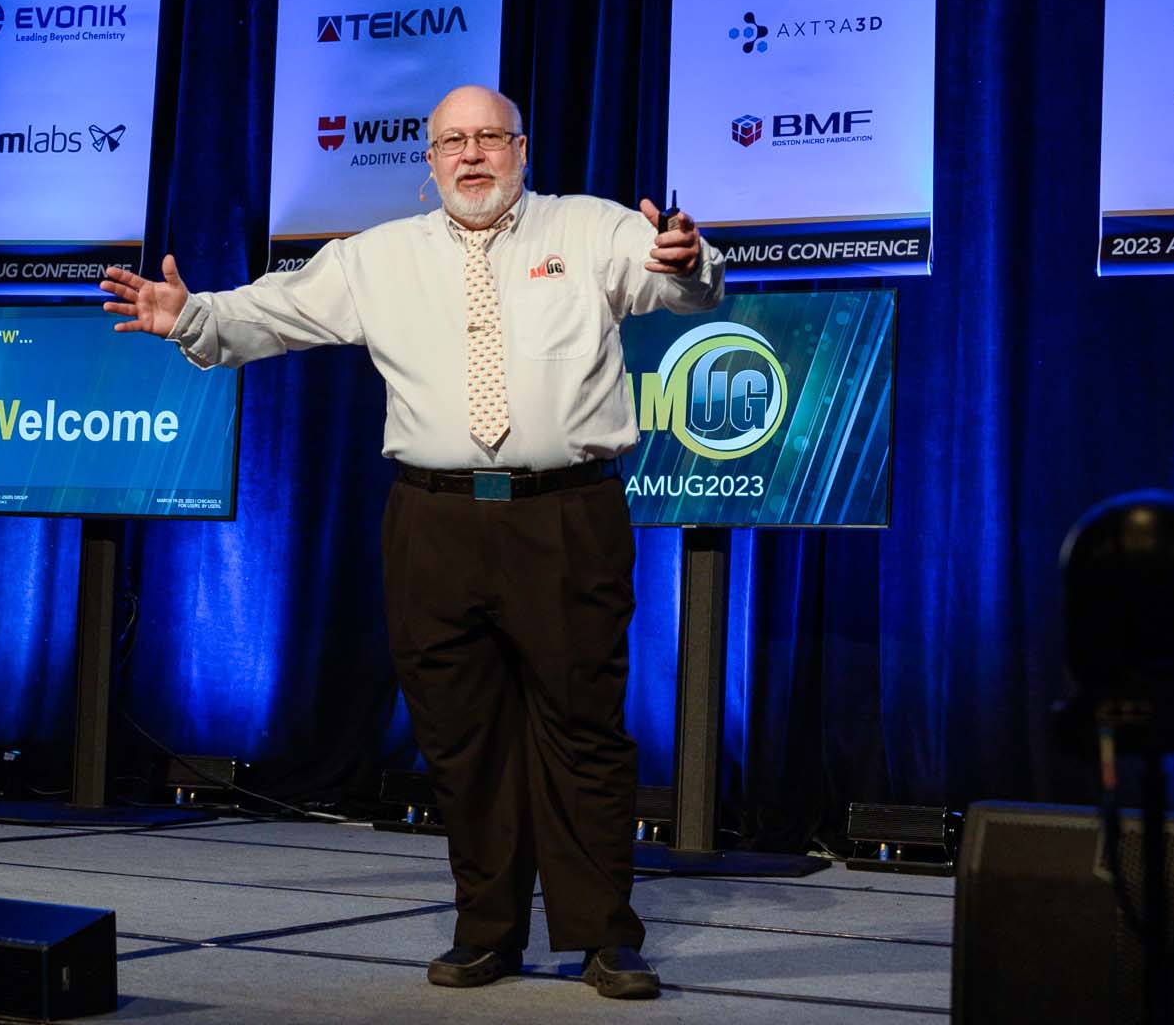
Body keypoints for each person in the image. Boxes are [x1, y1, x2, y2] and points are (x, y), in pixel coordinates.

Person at [101, 84, 724, 1000]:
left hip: (563, 517)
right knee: (461, 738)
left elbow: (677, 281)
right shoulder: (379, 257)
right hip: (433, 524)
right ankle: (488, 931)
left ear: (522, 150)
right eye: (452, 142)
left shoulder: (591, 229)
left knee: (582, 731)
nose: (472, 155)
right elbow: (274, 313)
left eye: (490, 138)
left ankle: (604, 937)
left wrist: (688, 256)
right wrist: (190, 316)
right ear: (429, 163)